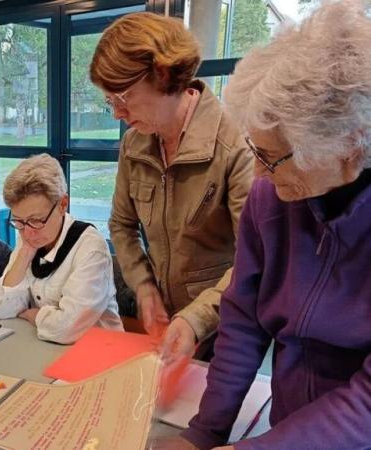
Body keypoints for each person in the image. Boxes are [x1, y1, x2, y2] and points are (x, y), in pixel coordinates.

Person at [174, 2, 371, 449]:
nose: (259, 176)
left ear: (349, 145)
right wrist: (204, 433)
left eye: (273, 157)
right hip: (286, 422)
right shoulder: (271, 197)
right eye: (255, 152)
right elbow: (243, 321)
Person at [89, 12, 253, 363]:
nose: (117, 113)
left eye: (123, 96)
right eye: (109, 101)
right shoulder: (135, 144)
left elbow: (253, 261)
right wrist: (145, 286)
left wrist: (196, 319)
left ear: (163, 75)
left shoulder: (235, 146)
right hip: (166, 323)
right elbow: (121, 225)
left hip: (227, 323)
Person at [0, 154, 123, 344]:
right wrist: (25, 254)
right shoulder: (29, 238)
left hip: (99, 352)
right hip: (44, 346)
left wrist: (35, 315)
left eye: (36, 220)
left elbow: (66, 329)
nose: (27, 232)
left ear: (62, 205)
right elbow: (1, 308)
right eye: (18, 221)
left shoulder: (90, 247)